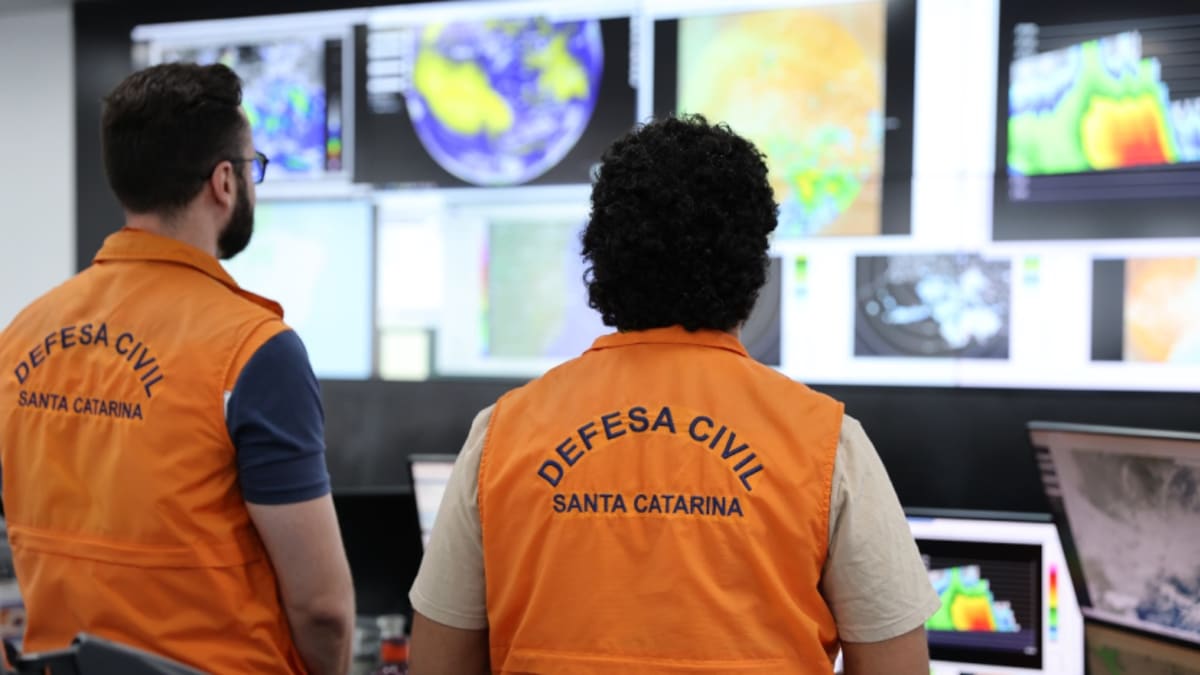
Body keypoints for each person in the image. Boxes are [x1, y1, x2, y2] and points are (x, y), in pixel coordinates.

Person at [407, 115, 941, 675]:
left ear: (602, 257)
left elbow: (438, 663)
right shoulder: (829, 445)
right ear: (753, 268)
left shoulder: (502, 434)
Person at [0, 63, 355, 674]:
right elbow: (323, 609)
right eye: (254, 168)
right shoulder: (255, 350)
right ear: (224, 182)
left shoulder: (19, 337)